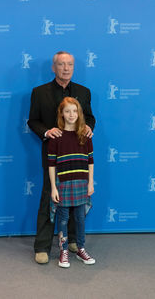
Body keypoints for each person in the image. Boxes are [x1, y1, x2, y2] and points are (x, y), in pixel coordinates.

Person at [28, 51, 95, 264]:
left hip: (79, 157)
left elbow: (90, 117)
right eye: (61, 64)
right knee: (50, 197)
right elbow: (33, 121)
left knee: (77, 198)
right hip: (54, 156)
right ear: (53, 67)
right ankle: (42, 247)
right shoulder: (39, 92)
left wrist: (89, 128)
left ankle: (73, 241)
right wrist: (47, 132)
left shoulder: (84, 92)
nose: (66, 68)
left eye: (70, 65)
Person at [48, 97, 95, 268]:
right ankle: (64, 250)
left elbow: (90, 162)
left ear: (79, 113)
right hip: (63, 184)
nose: (71, 114)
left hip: (81, 183)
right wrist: (54, 187)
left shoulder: (85, 135)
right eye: (67, 111)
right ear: (61, 114)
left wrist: (90, 183)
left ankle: (81, 248)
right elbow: (51, 165)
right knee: (63, 218)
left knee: (80, 218)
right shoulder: (56, 137)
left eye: (75, 111)